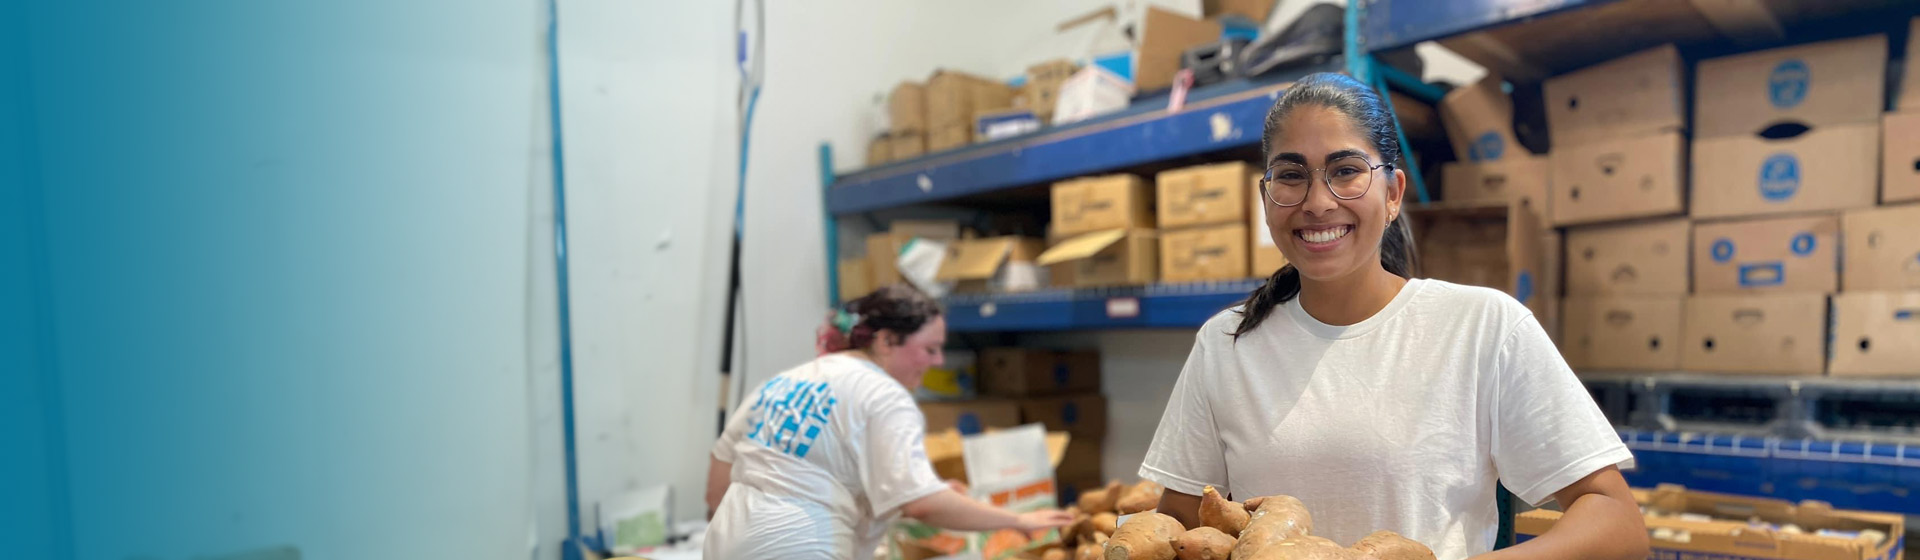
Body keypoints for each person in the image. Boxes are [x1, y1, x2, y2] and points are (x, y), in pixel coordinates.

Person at [1138, 73, 1648, 560]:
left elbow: (1615, 522)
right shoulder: (1225, 343)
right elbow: (1179, 530)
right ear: (1267, 198)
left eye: (1346, 171)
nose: (1318, 202)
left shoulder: (1482, 327)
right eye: (1291, 176)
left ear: (1393, 193)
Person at [704, 285, 1074, 559]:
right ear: (885, 340)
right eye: (930, 348)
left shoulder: (786, 382)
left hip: (725, 543)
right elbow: (923, 506)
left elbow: (717, 485)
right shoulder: (884, 395)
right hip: (801, 548)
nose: (939, 362)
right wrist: (1019, 520)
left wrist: (923, 488)